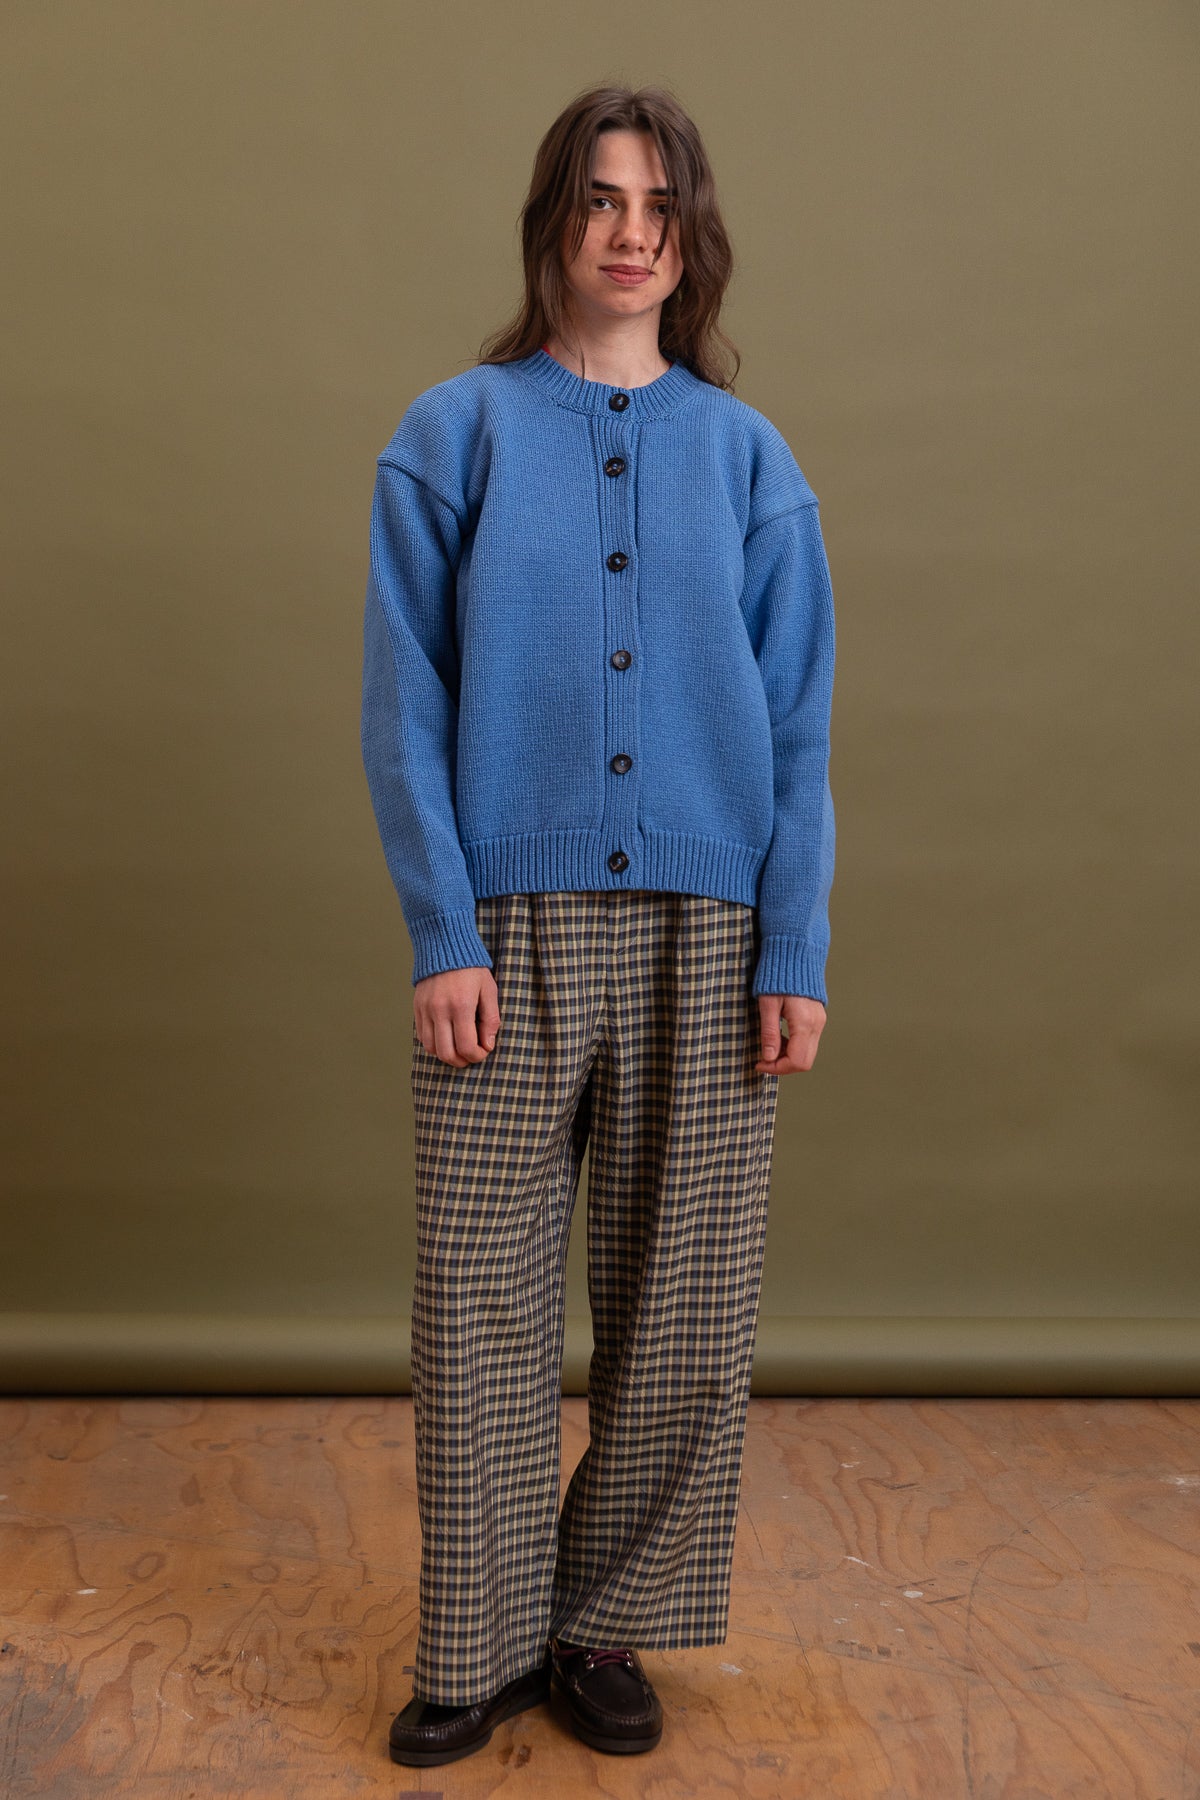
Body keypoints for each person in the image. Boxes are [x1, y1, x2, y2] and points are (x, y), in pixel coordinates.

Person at [360, 82, 836, 1768]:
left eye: (661, 206)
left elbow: (800, 729)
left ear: (693, 239)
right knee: (478, 1297)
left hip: (711, 927)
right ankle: (482, 1641)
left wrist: (794, 948)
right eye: (601, 199)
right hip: (507, 922)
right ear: (552, 222)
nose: (632, 233)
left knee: (684, 1306)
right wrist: (442, 929)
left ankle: (602, 1622)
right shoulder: (455, 434)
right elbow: (404, 704)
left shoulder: (750, 459)